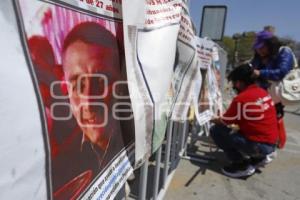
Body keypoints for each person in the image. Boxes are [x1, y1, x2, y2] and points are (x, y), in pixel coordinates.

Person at [210, 64, 279, 178]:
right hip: (271, 142)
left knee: (216, 131)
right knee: (235, 130)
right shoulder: (262, 92)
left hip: (260, 145)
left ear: (239, 82)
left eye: (233, 83)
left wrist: (209, 118)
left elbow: (223, 122)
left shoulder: (241, 98)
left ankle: (241, 165)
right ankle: (259, 158)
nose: (233, 86)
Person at [251, 30, 295, 117]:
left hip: (275, 97)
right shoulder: (259, 56)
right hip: (259, 97)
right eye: (257, 48)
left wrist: (260, 73)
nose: (259, 50)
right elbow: (252, 68)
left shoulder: (284, 52)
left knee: (270, 123)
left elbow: (282, 72)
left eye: (262, 47)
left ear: (270, 45)